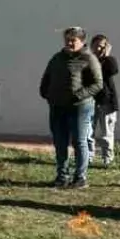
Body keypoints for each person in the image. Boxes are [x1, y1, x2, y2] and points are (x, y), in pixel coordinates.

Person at [39, 26, 102, 189]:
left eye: (73, 40)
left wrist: (79, 95)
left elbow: (97, 84)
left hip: (79, 107)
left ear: (82, 41)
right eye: (67, 40)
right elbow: (47, 76)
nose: (69, 43)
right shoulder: (57, 58)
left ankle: (80, 178)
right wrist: (46, 93)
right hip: (57, 106)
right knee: (60, 142)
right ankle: (62, 176)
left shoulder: (88, 59)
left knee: (79, 142)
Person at [90, 34, 119, 168]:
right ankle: (88, 157)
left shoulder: (109, 61)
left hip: (107, 102)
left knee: (107, 133)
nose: (99, 49)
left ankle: (107, 159)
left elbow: (113, 70)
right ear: (92, 46)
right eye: (96, 46)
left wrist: (106, 56)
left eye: (102, 46)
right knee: (88, 132)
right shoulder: (88, 61)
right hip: (90, 101)